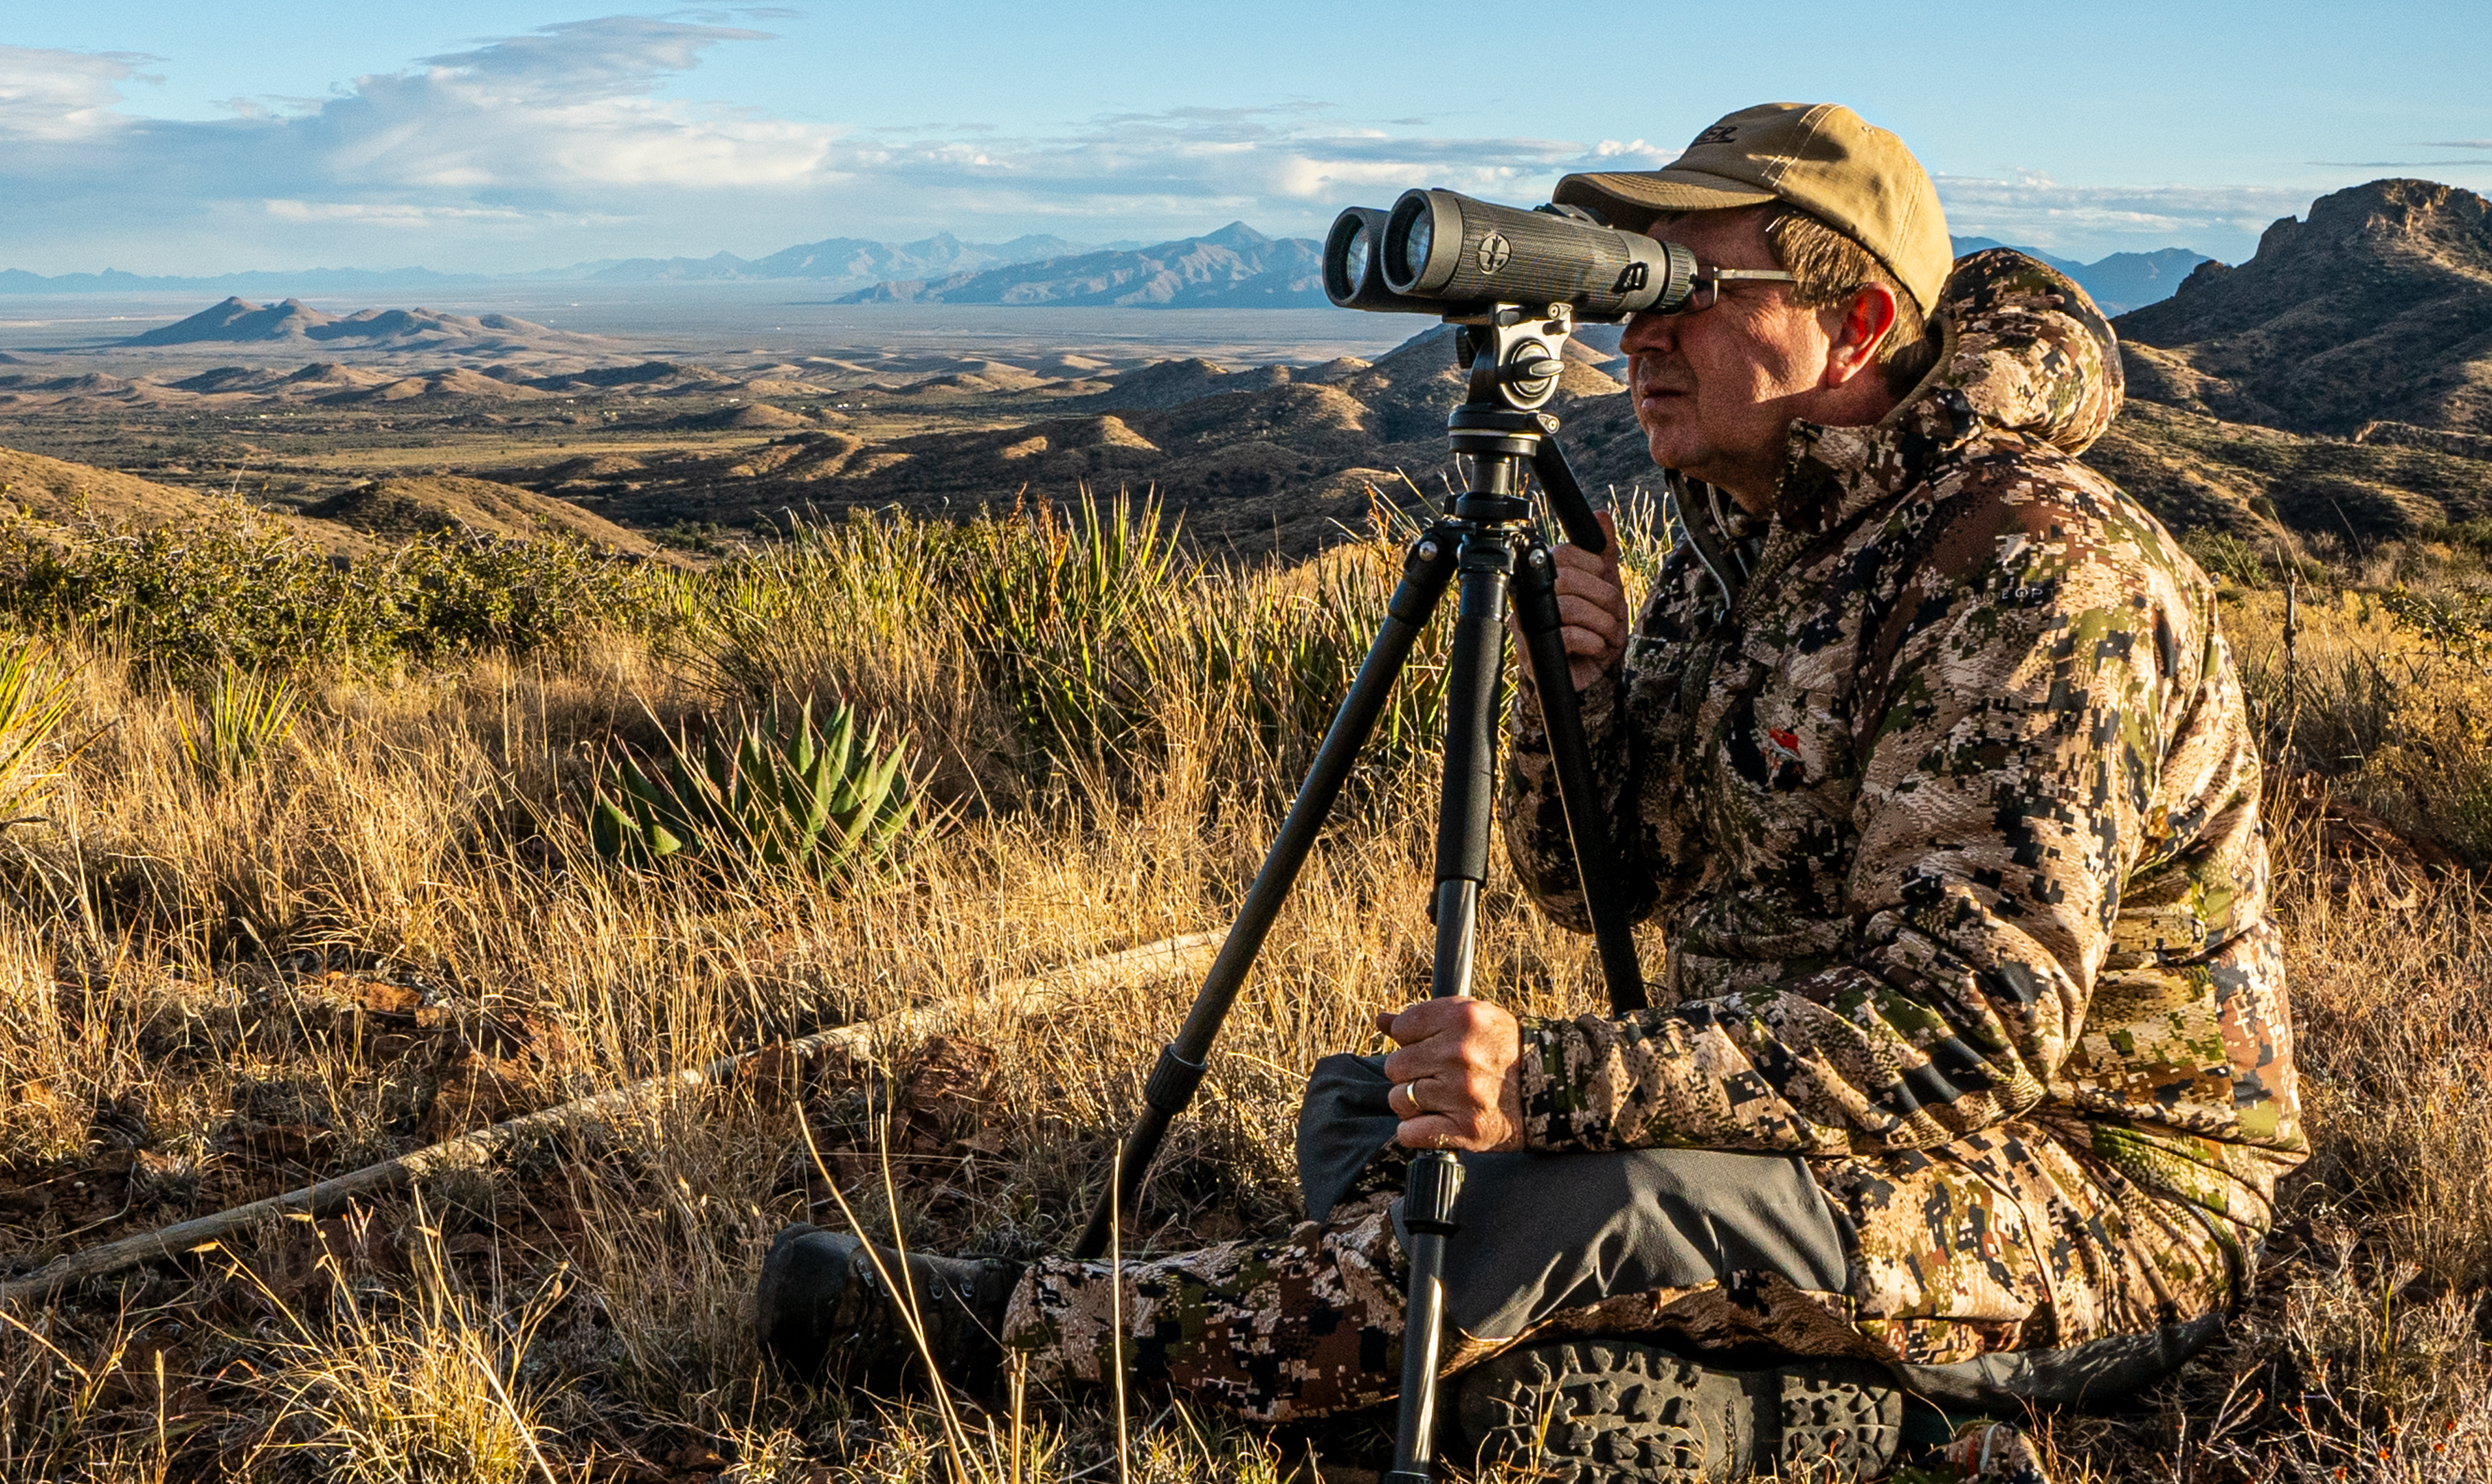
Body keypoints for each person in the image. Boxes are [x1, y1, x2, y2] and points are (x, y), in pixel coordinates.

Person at [753, 102, 2304, 1483]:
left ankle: (999, 1328)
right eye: (1628, 290)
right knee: (1372, 1113)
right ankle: (1549, 1379)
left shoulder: (2030, 571)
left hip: (2093, 1206)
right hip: (1825, 1149)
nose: (1634, 333)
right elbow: (1598, 886)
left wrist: (1556, 1092)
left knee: (1523, 1209)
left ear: (1857, 325)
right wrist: (1588, 702)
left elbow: (1967, 1034)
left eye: (1689, 292)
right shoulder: (1741, 534)